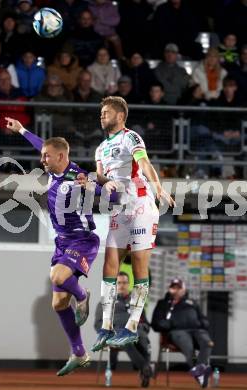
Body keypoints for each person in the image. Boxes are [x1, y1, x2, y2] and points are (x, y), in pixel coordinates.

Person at [4, 117, 116, 376]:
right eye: (43, 155)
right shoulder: (55, 168)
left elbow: (106, 192)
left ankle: (83, 296)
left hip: (82, 239)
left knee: (58, 276)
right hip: (62, 242)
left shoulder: (77, 175)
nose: (42, 158)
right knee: (57, 304)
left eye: (46, 156)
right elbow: (43, 145)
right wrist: (21, 130)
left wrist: (100, 186)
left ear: (61, 156)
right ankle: (79, 353)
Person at [88, 96, 175, 351]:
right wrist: (94, 179)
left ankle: (133, 326)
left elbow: (144, 162)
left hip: (141, 205)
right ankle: (106, 326)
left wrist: (158, 187)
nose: (102, 116)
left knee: (138, 264)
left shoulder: (131, 137)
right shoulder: (100, 147)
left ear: (120, 116)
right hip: (119, 208)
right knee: (110, 263)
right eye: (101, 112)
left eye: (106, 112)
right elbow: (103, 176)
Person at [151, 278, 213, 388]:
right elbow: (156, 323)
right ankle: (200, 374)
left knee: (207, 343)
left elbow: (204, 320)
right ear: (170, 289)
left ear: (184, 290)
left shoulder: (192, 303)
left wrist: (200, 323)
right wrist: (170, 324)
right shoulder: (163, 303)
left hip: (197, 330)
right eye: (173, 288)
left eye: (179, 288)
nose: (176, 290)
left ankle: (198, 371)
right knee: (189, 348)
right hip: (177, 332)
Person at [94, 271, 152, 388]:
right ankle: (146, 368)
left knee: (144, 339)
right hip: (116, 333)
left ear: (128, 284)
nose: (121, 285)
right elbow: (98, 324)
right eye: (119, 282)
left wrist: (143, 328)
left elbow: (145, 322)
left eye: (124, 282)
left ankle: (143, 370)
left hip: (136, 331)